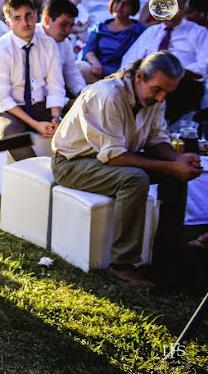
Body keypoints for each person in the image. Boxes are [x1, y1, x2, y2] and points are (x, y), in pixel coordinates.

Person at [51, 51, 203, 288]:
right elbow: (115, 157)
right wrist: (171, 165)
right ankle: (121, 265)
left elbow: (156, 139)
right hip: (72, 163)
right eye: (157, 90)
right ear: (140, 77)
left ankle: (168, 250)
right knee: (134, 179)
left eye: (167, 92)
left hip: (108, 159)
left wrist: (178, 159)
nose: (162, 98)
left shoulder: (153, 97)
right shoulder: (108, 95)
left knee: (174, 177)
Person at [0, 0, 66, 161]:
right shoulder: (0, 50)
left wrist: (56, 117)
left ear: (36, 16)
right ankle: (35, 174)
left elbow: (56, 85)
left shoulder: (48, 44)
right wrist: (35, 125)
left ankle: (67, 168)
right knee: (11, 130)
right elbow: (2, 98)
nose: (24, 22)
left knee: (72, 117)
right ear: (8, 24)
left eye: (28, 16)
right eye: (17, 18)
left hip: (36, 103)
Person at [121, 0, 208, 124]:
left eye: (177, 7)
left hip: (182, 83)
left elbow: (204, 65)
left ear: (186, 9)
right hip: (148, 81)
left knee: (173, 87)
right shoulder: (152, 32)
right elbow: (129, 60)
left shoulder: (199, 33)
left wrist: (173, 72)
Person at [80, 0, 146, 84]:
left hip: (122, 75)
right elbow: (89, 49)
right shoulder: (100, 27)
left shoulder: (139, 30)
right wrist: (95, 63)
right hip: (97, 70)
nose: (120, 6)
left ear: (133, 8)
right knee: (79, 67)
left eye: (126, 4)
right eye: (117, 1)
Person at [38, 0, 86, 100]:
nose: (68, 30)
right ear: (47, 20)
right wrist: (66, 103)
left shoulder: (65, 42)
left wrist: (83, 95)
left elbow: (72, 73)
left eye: (71, 25)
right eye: (63, 25)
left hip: (57, 100)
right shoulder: (29, 39)